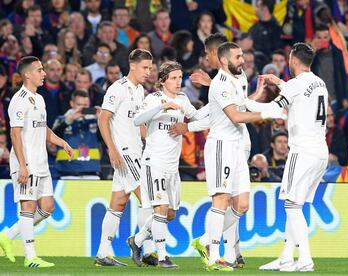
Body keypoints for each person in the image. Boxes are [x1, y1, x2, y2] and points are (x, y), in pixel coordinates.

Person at [246, 43, 329, 272]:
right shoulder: (319, 82)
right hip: (320, 152)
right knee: (296, 205)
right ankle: (285, 258)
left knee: (292, 206)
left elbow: (274, 110)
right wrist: (280, 83)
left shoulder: (294, 85)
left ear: (292, 60)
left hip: (302, 151)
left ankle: (305, 259)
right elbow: (300, 95)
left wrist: (241, 103)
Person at [0, 56, 73, 268]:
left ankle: (7, 235)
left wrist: (62, 142)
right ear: (27, 74)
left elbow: (43, 129)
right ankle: (30, 257)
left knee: (47, 207)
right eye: (40, 70)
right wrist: (22, 165)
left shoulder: (39, 99)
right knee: (28, 207)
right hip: (26, 163)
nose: (44, 73)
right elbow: (15, 135)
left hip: (42, 164)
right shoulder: (19, 100)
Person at [195, 42, 263, 271]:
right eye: (238, 57)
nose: (242, 60)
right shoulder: (220, 85)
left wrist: (258, 99)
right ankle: (214, 256)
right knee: (221, 199)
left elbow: (242, 106)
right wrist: (269, 111)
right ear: (224, 60)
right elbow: (235, 116)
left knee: (242, 204)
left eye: (242, 55)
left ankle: (204, 240)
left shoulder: (240, 77)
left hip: (237, 145)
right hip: (221, 145)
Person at [128, 61, 199, 268]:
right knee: (160, 209)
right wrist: (162, 106)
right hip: (154, 162)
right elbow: (137, 120)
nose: (179, 82)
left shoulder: (184, 99)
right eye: (174, 78)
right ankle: (162, 257)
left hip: (172, 166)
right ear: (162, 81)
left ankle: (137, 240)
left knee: (170, 213)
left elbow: (195, 116)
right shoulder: (154, 99)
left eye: (180, 77)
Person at [94, 49, 155, 267]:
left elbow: (138, 127)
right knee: (150, 199)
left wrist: (156, 141)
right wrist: (111, 149)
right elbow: (103, 119)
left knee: (118, 203)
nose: (148, 72)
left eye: (150, 68)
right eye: (145, 67)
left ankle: (102, 254)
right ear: (133, 66)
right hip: (125, 153)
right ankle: (145, 249)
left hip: (135, 151)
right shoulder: (118, 89)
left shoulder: (140, 91)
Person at [52, 90, 101, 179]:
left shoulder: (94, 121)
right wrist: (68, 121)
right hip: (67, 172)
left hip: (91, 172)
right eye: (79, 105)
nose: (82, 109)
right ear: (72, 104)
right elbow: (52, 137)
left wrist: (101, 120)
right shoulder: (61, 120)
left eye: (85, 105)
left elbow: (105, 138)